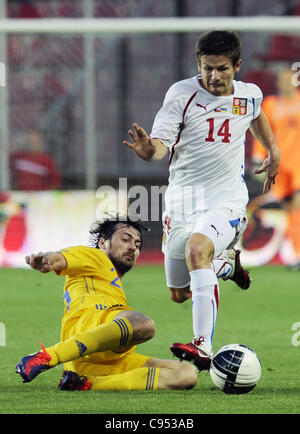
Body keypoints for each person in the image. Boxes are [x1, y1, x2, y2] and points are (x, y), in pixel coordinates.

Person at [123, 30, 280, 371]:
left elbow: (255, 114)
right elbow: (159, 144)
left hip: (227, 200)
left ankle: (202, 347)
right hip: (182, 203)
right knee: (178, 292)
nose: (214, 76)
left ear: (237, 66)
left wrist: (274, 151)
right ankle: (226, 265)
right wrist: (149, 150)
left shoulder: (249, 94)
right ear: (198, 64)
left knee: (197, 249)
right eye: (207, 68)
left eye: (222, 68)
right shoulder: (182, 94)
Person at [16, 216, 197, 391]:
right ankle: (48, 356)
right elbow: (60, 258)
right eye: (125, 239)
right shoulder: (95, 256)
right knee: (143, 324)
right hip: (89, 328)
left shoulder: (111, 280)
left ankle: (85, 384)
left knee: (187, 373)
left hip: (103, 360)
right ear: (103, 243)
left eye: (137, 244)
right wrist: (47, 260)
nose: (132, 247)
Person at [252, 68, 300, 269]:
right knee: (288, 209)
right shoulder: (271, 105)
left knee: (297, 204)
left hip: (298, 164)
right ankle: (293, 248)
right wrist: (258, 157)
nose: (285, 83)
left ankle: (295, 253)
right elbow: (263, 131)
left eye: (288, 79)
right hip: (279, 166)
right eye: (281, 79)